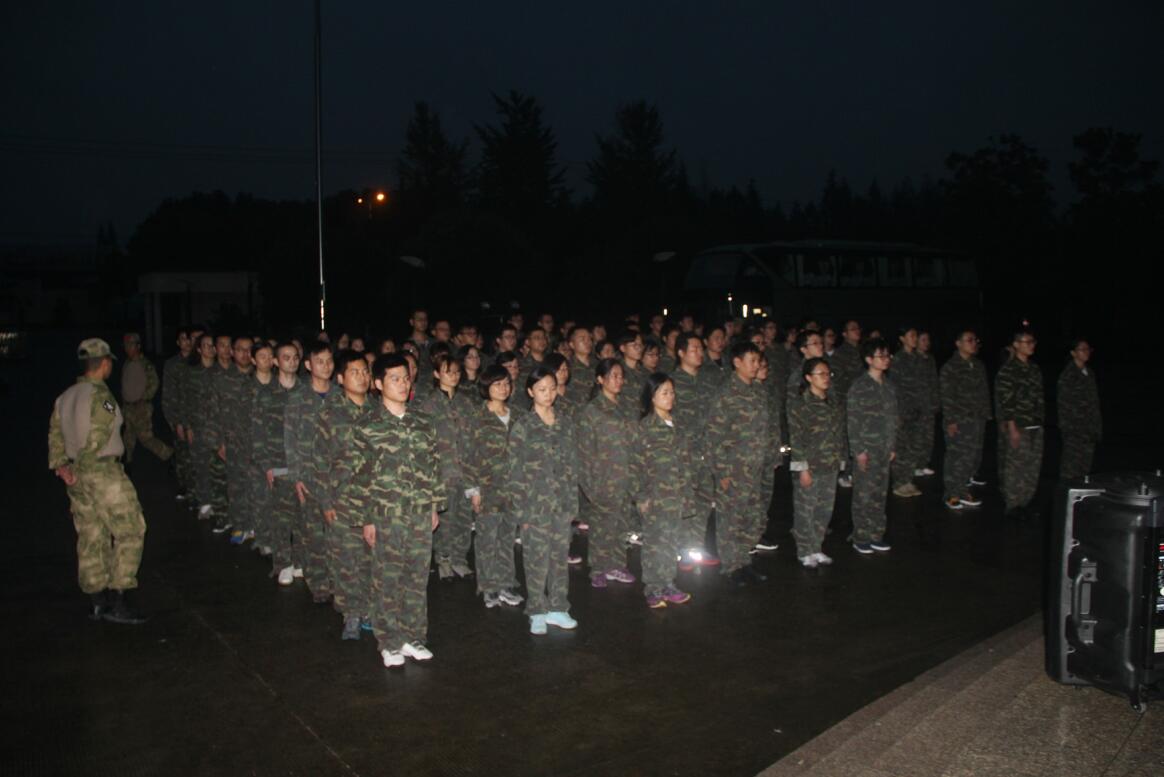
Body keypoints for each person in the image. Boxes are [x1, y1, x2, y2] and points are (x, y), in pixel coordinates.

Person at [352, 354, 444, 667]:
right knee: (387, 580)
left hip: (418, 511)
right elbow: (360, 477)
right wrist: (366, 519)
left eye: (405, 378)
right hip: (385, 515)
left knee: (416, 579)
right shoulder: (367, 426)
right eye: (394, 378)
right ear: (378, 384)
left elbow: (434, 466)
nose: (403, 384)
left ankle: (412, 636)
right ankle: (389, 640)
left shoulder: (423, 422)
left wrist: (434, 505)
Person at [48, 338, 147, 624]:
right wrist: (89, 462)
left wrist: (62, 466)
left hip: (76, 477)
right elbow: (104, 430)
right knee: (131, 529)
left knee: (91, 536)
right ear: (104, 363)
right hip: (103, 473)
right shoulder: (101, 396)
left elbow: (55, 434)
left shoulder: (64, 396)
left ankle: (97, 601)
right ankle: (120, 598)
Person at [508, 366, 580, 635]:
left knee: (559, 559)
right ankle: (537, 609)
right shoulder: (523, 426)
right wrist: (521, 512)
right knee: (536, 559)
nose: (548, 394)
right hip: (534, 507)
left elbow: (573, 466)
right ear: (530, 392)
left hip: (561, 504)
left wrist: (572, 504)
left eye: (552, 388)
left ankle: (559, 607)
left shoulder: (565, 423)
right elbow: (514, 471)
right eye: (541, 389)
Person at [315, 350, 376, 640]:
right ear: (340, 378)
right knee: (346, 559)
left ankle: (370, 611)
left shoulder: (379, 410)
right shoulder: (330, 414)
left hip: (376, 500)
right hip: (344, 499)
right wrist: (326, 502)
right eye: (355, 372)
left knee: (373, 559)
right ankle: (351, 613)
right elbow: (320, 461)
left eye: (365, 371)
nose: (362, 377)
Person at [704, 341, 775, 585]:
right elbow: (713, 436)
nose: (757, 366)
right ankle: (731, 566)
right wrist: (721, 471)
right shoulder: (726, 394)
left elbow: (766, 429)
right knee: (731, 519)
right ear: (737, 362)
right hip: (733, 469)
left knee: (753, 518)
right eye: (752, 361)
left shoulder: (758, 391)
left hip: (755, 468)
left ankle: (743, 560)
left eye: (758, 361)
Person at [632, 373, 695, 608]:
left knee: (671, 541)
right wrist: (641, 497)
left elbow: (685, 463)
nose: (670, 397)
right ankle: (653, 588)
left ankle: (668, 583)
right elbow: (636, 466)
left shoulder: (677, 425)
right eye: (664, 392)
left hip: (677, 495)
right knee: (654, 544)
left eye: (672, 392)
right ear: (652, 396)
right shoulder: (645, 428)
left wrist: (688, 493)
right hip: (655, 496)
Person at [464, 365, 524, 609]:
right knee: (487, 539)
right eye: (497, 384)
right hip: (488, 488)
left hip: (513, 488)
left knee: (507, 538)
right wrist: (473, 490)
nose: (503, 388)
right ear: (486, 387)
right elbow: (468, 455)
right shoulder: (477, 418)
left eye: (507, 383)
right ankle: (489, 587)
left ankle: (506, 583)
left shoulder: (518, 415)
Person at [576, 358, 637, 588]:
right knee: (602, 526)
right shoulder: (591, 411)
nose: (618, 380)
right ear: (600, 379)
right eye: (613, 375)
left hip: (625, 477)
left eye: (621, 376)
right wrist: (590, 487)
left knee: (621, 523)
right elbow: (584, 452)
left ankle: (616, 565)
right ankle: (599, 568)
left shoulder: (626, 408)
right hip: (602, 479)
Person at [252, 342, 306, 585]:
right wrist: (266, 465)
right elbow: (257, 431)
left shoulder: (305, 391)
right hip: (278, 462)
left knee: (302, 517)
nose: (292, 362)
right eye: (286, 357)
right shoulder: (266, 394)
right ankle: (283, 563)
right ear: (276, 361)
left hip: (302, 464)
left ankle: (299, 560)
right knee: (282, 518)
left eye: (295, 357)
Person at [286, 341, 335, 602]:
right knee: (313, 532)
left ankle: (339, 581)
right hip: (309, 475)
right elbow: (290, 439)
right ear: (308, 365)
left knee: (338, 534)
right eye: (320, 361)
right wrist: (296, 477)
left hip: (337, 476)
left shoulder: (340, 394)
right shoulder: (298, 398)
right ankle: (318, 583)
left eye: (329, 361)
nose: (325, 366)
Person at [421, 352, 475, 580]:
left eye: (456, 372)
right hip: (442, 472)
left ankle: (459, 558)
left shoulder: (466, 403)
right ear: (436, 373)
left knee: (463, 518)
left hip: (465, 471)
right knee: (444, 518)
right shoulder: (428, 405)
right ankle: (443, 558)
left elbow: (473, 439)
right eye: (447, 371)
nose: (453, 376)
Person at [788, 357, 846, 568]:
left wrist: (841, 460)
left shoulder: (832, 401)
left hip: (829, 464)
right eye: (820, 374)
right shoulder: (801, 404)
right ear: (808, 378)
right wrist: (802, 468)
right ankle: (804, 550)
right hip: (810, 466)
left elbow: (839, 433)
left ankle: (816, 547)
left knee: (824, 510)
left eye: (827, 373)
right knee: (805, 509)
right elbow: (796, 438)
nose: (826, 378)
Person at [845, 339, 897, 554]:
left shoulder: (889, 386)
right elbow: (853, 421)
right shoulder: (860, 387)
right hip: (867, 448)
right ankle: (861, 536)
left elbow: (893, 418)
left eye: (887, 356)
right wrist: (858, 451)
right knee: (863, 495)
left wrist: (892, 445)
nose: (886, 360)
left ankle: (877, 534)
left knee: (879, 494)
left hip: (884, 449)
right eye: (880, 356)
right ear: (868, 360)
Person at [995, 329, 1045, 519]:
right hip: (1019, 425)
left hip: (1035, 424)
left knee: (1032, 466)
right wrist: (1012, 427)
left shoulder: (1034, 369)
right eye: (1027, 342)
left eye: (1033, 342)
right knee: (1015, 464)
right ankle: (1013, 502)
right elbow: (1006, 401)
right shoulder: (1008, 370)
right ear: (1016, 345)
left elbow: (1039, 399)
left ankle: (1025, 501)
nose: (1031, 345)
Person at [939, 330, 990, 510]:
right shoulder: (950, 367)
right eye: (969, 340)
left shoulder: (978, 365)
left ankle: (962, 489)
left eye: (975, 340)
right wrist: (951, 420)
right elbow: (947, 396)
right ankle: (951, 493)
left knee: (971, 457)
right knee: (956, 457)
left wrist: (986, 415)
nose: (973, 343)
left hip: (977, 419)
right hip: (959, 420)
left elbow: (984, 392)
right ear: (958, 343)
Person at [220, 336, 256, 545]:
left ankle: (253, 525)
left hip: (255, 441)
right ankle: (239, 525)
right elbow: (214, 411)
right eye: (240, 350)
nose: (245, 354)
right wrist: (219, 441)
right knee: (236, 485)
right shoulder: (223, 379)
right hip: (233, 441)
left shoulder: (258, 379)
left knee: (255, 486)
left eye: (249, 350)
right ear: (233, 352)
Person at [120, 332, 173, 467]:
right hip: (128, 407)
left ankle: (168, 454)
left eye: (130, 345)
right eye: (126, 345)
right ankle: (128, 463)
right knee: (128, 437)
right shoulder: (127, 363)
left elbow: (154, 383)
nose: (127, 348)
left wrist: (143, 399)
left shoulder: (146, 364)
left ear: (138, 346)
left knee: (146, 438)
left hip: (141, 407)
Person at [1056, 338, 1101, 480]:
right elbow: (1063, 404)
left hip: (1089, 429)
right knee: (1071, 468)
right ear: (1073, 353)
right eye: (1082, 349)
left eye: (1088, 349)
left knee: (1085, 469)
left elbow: (1094, 403)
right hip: (1074, 430)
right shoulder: (1068, 375)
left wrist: (1096, 427)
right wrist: (1069, 429)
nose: (1086, 352)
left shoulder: (1089, 373)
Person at [889, 327, 926, 498]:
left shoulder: (919, 359)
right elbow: (894, 387)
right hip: (903, 411)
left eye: (916, 335)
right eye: (911, 335)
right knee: (902, 449)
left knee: (914, 448)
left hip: (918, 411)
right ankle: (899, 482)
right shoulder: (897, 360)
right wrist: (897, 414)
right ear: (902, 338)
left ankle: (908, 479)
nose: (915, 338)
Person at [162, 326, 196, 499]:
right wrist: (171, 418)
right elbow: (167, 392)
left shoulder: (196, 363)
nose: (187, 342)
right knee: (182, 453)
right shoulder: (172, 364)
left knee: (195, 454)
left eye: (188, 338)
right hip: (178, 415)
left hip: (193, 416)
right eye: (183, 339)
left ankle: (196, 488)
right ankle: (184, 486)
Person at [564, 326, 596, 406]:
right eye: (582, 339)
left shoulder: (598, 364)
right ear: (572, 344)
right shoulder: (566, 367)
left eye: (589, 339)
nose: (587, 342)